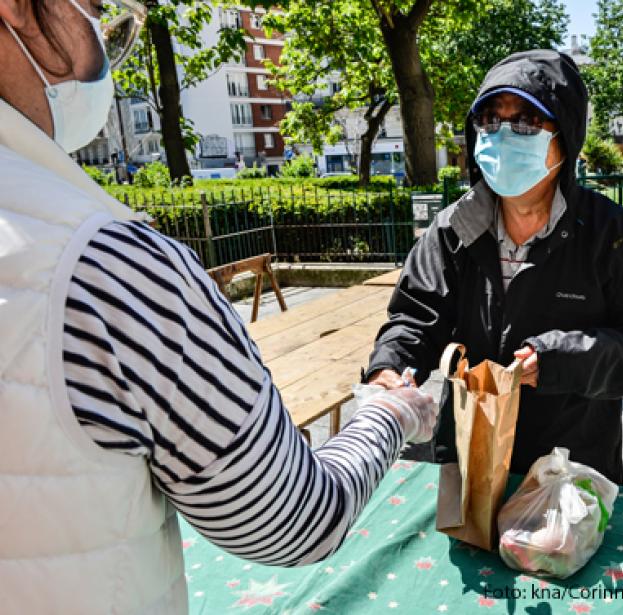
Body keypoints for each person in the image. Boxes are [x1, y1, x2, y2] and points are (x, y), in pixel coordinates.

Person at [0, 1, 438, 612]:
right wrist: (388, 414)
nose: (106, 44)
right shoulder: (104, 264)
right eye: (99, 9)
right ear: (18, 9)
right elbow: (296, 517)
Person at [366, 50, 623, 486]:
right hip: (467, 457)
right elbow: (415, 317)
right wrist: (390, 366)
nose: (503, 135)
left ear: (565, 137)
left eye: (526, 122)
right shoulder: (454, 229)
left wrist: (557, 358)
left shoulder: (615, 238)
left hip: (569, 466)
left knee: (550, 556)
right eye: (491, 120)